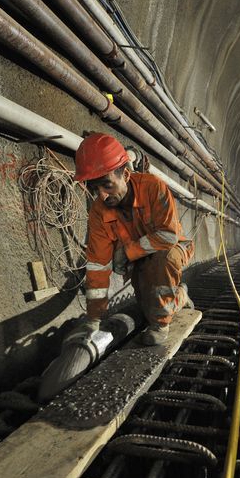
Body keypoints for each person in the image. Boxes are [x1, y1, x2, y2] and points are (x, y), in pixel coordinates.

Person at [74, 132, 194, 345]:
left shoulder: (153, 188)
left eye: (107, 185)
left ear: (126, 175)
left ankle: (161, 324)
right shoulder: (99, 212)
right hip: (139, 257)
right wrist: (94, 318)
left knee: (162, 264)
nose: (101, 195)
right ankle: (181, 295)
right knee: (148, 304)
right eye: (94, 188)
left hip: (172, 248)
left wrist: (127, 252)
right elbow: (97, 265)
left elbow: (167, 235)